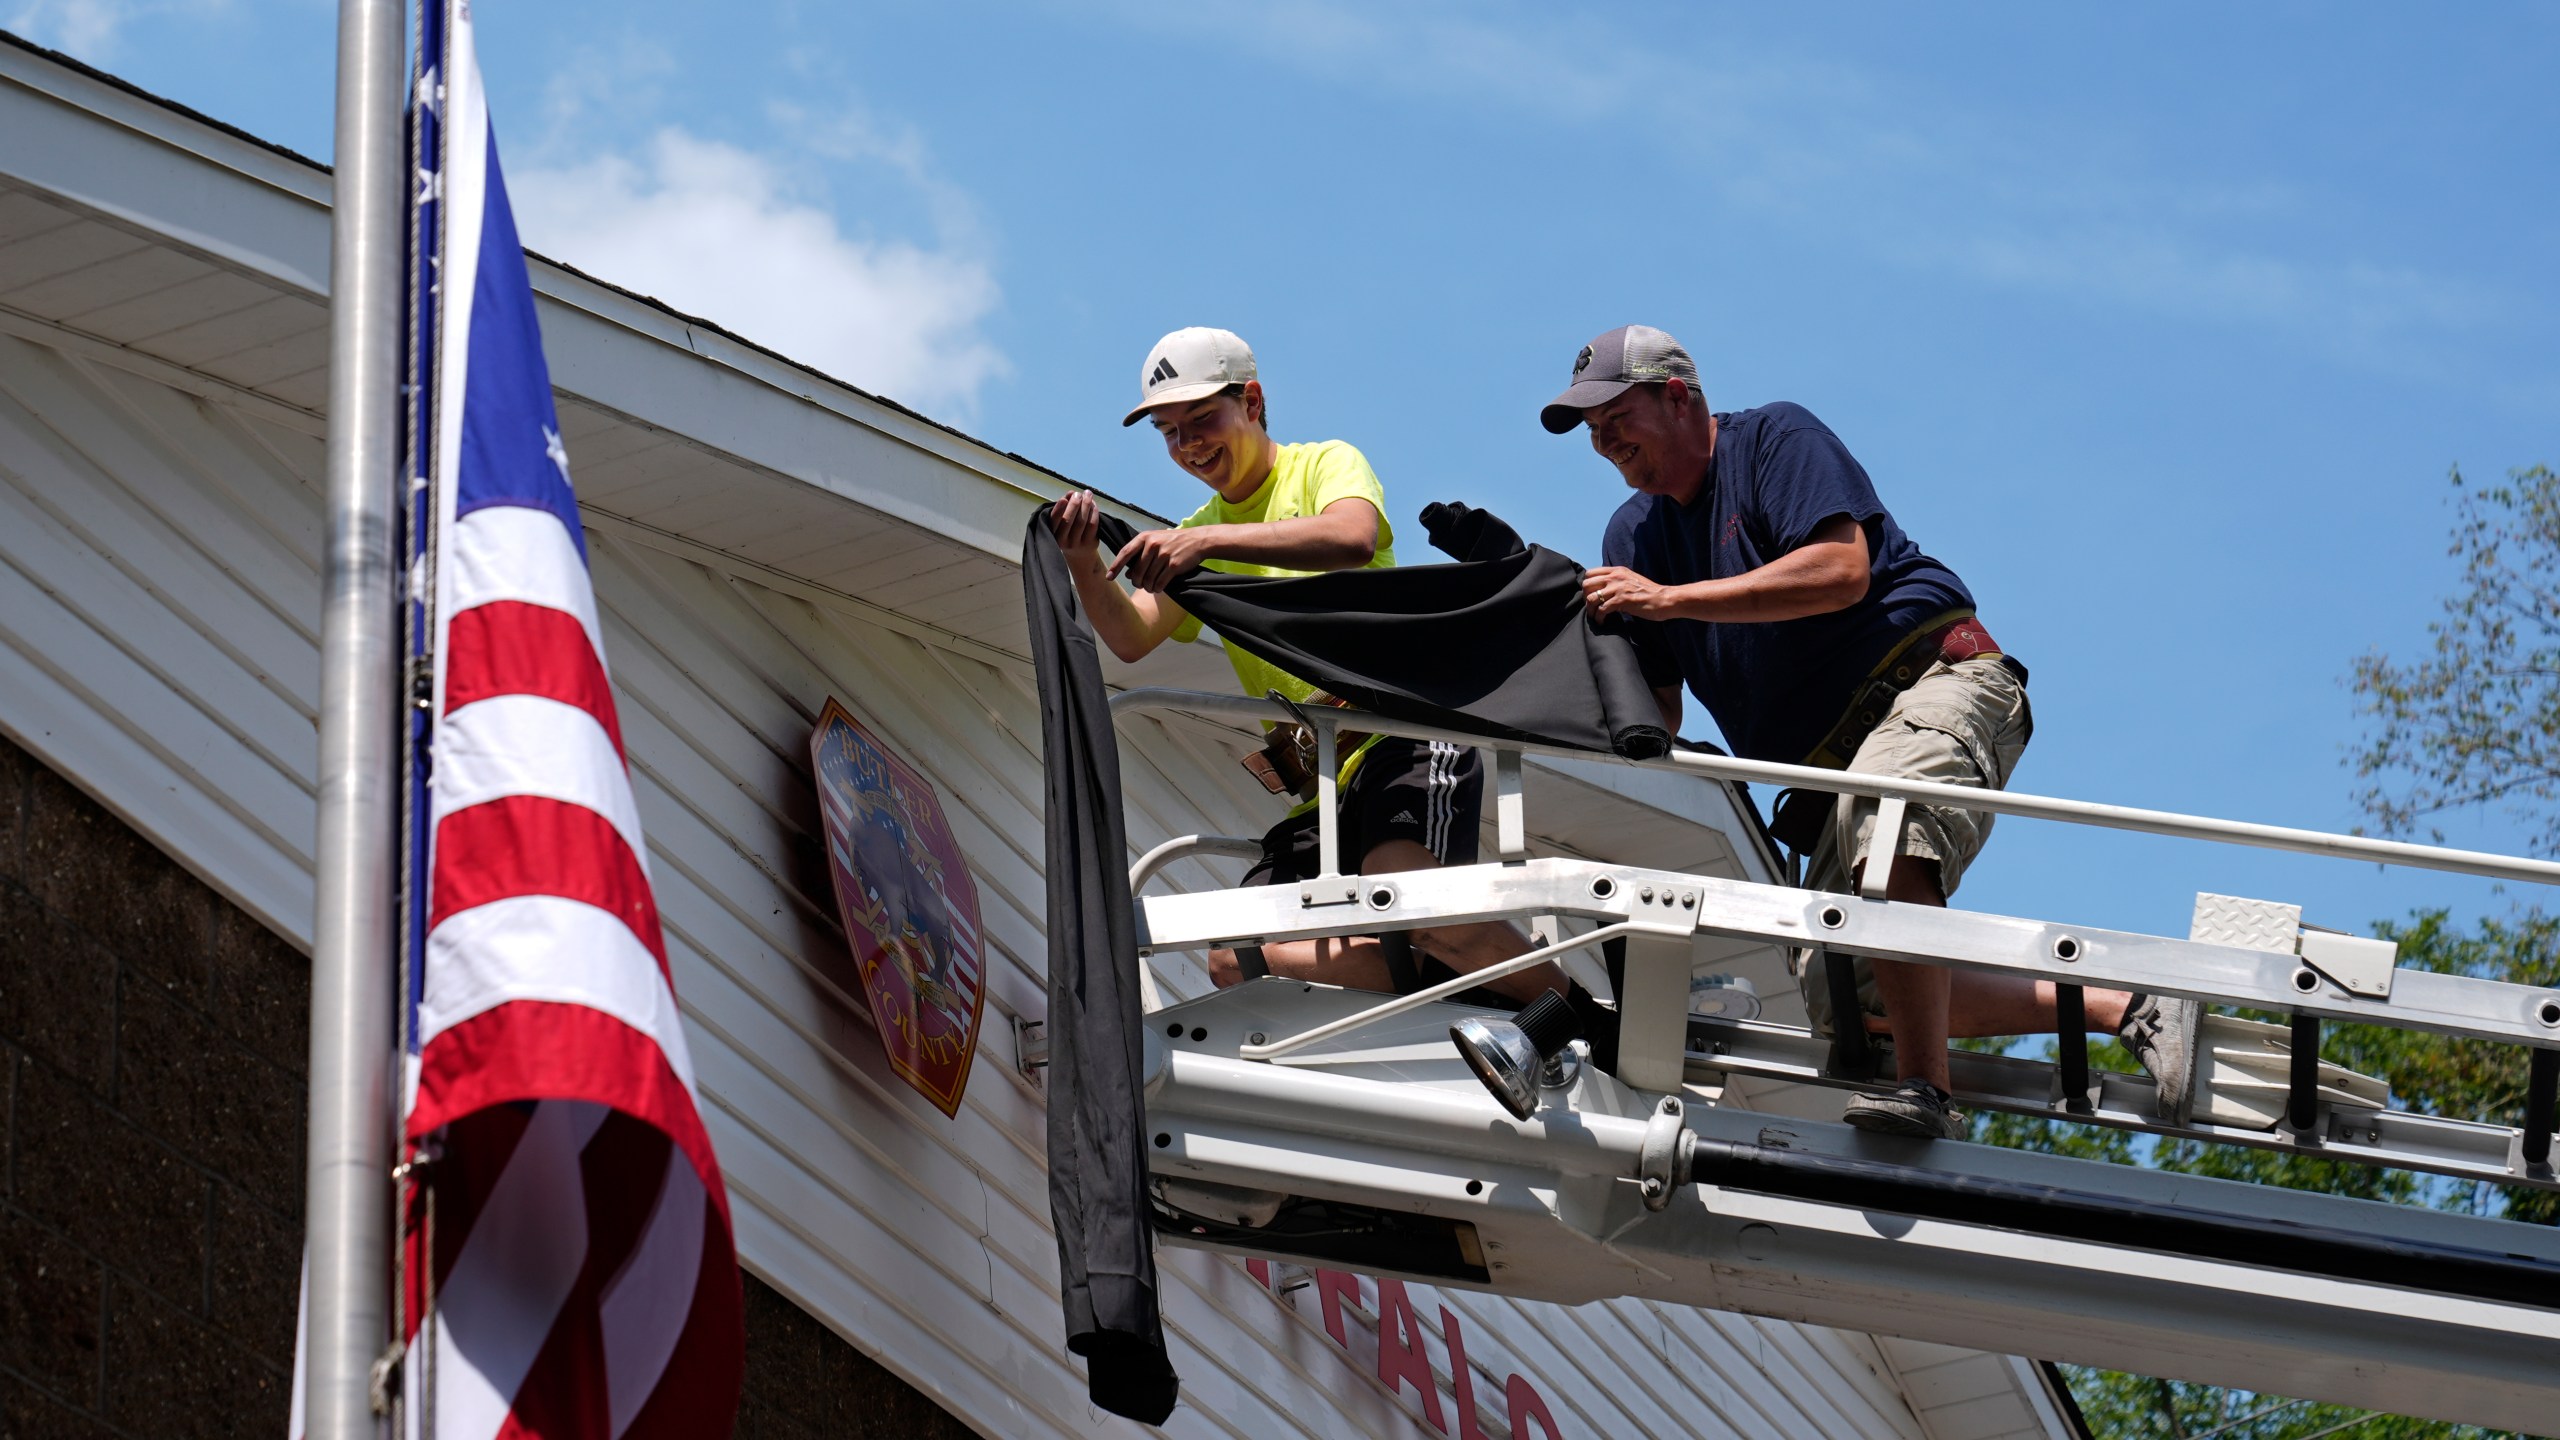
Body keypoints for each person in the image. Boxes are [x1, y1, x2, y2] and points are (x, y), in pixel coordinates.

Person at [1545, 324, 2199, 1139]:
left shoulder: (1773, 439)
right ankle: (2125, 1004)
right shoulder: (1632, 536)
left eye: (1615, 414)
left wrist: (1668, 601)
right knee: (1840, 1000)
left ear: (1678, 397)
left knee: (1887, 847)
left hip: (1930, 682)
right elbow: (1660, 710)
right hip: (1833, 770)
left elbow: (1840, 571)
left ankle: (1926, 1093)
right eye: (1590, 428)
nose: (1603, 440)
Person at [1048, 326, 1562, 1004]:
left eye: (1203, 419)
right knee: (1234, 958)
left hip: (1399, 736)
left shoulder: (1320, 465)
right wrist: (1083, 560)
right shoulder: (1198, 535)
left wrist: (1204, 541)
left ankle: (1586, 1021)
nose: (1190, 445)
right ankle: (1475, 981)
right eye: (1171, 433)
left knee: (1406, 893)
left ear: (1252, 401)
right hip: (1324, 783)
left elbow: (1351, 537)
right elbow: (1132, 634)